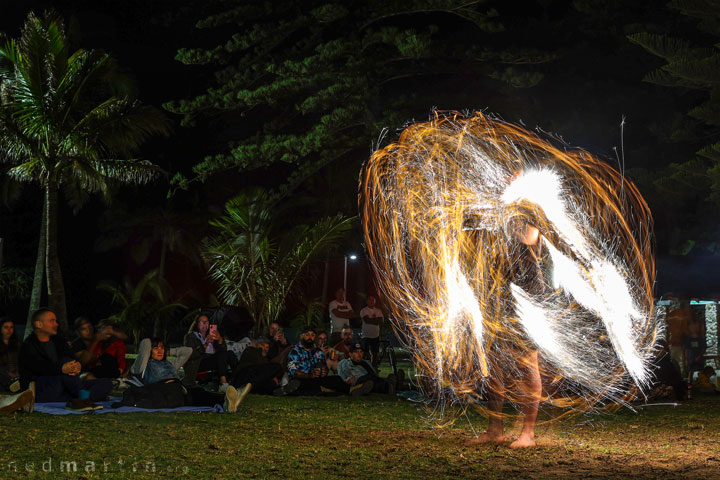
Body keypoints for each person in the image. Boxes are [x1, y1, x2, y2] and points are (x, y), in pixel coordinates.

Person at [467, 222, 543, 449]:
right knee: (494, 363)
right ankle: (494, 430)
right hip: (499, 287)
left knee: (528, 361)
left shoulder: (528, 204)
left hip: (526, 292)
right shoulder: (497, 207)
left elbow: (528, 237)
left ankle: (528, 433)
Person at [119, 338, 249, 412]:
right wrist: (151, 347)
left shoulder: (169, 364)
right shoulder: (141, 366)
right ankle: (230, 399)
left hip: (180, 389)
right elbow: (146, 343)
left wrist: (168, 351)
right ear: (149, 351)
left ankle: (228, 401)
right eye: (156, 348)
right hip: (164, 390)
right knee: (192, 395)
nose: (160, 351)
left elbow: (187, 351)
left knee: (199, 393)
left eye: (162, 347)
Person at [18, 308, 112, 410]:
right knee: (65, 363)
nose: (56, 324)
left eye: (55, 321)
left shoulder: (59, 341)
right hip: (43, 387)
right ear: (38, 324)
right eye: (52, 321)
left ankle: (81, 400)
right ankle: (87, 398)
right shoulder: (28, 346)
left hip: (68, 385)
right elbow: (40, 367)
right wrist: (62, 369)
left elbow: (73, 359)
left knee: (106, 383)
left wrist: (77, 366)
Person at [287, 326, 372, 396]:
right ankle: (331, 391)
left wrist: (324, 371)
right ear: (302, 336)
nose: (310, 337)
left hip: (316, 379)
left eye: (312, 335)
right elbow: (294, 372)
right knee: (302, 384)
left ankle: (350, 389)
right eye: (307, 335)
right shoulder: (295, 351)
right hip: (302, 379)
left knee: (336, 379)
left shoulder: (318, 352)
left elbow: (324, 367)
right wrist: (309, 375)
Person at [233, 337, 299, 395]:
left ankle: (278, 390)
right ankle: (243, 387)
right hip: (244, 375)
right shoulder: (250, 350)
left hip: (254, 381)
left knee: (271, 383)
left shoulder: (264, 358)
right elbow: (259, 365)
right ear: (256, 345)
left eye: (267, 347)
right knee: (276, 366)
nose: (265, 349)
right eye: (262, 345)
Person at [183, 313, 231, 391]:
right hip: (199, 362)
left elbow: (224, 349)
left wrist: (219, 339)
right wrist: (206, 344)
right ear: (197, 324)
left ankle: (239, 381)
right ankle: (223, 383)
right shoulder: (191, 337)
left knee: (230, 354)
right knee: (221, 355)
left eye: (207, 322)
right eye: (202, 322)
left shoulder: (212, 335)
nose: (205, 324)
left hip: (213, 360)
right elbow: (192, 354)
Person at [666, 298, 692, 377]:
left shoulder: (673, 314)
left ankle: (679, 376)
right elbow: (685, 330)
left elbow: (669, 328)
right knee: (679, 362)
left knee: (677, 361)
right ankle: (681, 376)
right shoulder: (684, 315)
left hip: (678, 343)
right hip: (678, 343)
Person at [360, 295, 383, 366]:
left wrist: (371, 320)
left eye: (373, 300)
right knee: (365, 353)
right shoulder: (364, 310)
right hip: (366, 336)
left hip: (375, 336)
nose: (371, 301)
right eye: (370, 300)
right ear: (367, 301)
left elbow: (381, 321)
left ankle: (374, 368)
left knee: (375, 354)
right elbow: (367, 320)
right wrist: (376, 320)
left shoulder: (378, 310)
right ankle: (365, 367)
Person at [0, 317, 20, 392]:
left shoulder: (17, 344)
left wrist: (17, 372)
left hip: (16, 374)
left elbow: (21, 360)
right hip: (4, 375)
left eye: (11, 327)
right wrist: (8, 373)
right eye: (6, 327)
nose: (9, 330)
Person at [685, 321, 706, 385]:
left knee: (701, 371)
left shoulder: (700, 339)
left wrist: (699, 356)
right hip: (691, 358)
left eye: (695, 327)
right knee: (691, 372)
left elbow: (703, 348)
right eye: (692, 328)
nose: (693, 329)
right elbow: (687, 349)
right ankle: (690, 384)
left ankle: (701, 383)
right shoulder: (688, 339)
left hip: (699, 358)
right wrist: (686, 359)